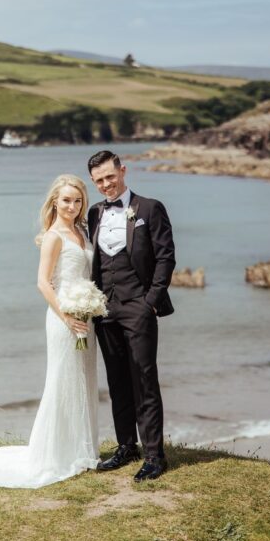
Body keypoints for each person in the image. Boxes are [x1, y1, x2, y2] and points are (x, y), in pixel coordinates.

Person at [0, 175, 99, 488]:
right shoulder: (55, 235)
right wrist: (67, 317)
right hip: (63, 318)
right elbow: (43, 282)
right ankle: (55, 456)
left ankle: (81, 451)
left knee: (84, 381)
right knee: (61, 381)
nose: (72, 205)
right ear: (55, 201)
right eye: (66, 200)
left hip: (86, 317)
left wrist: (87, 308)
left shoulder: (81, 230)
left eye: (78, 200)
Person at [86, 150, 175, 482]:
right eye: (99, 181)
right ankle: (126, 446)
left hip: (138, 306)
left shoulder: (150, 208)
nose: (106, 185)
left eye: (111, 177)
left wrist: (151, 301)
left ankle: (154, 455)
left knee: (144, 379)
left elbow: (166, 257)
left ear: (123, 171)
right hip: (103, 309)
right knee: (117, 380)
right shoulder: (94, 214)